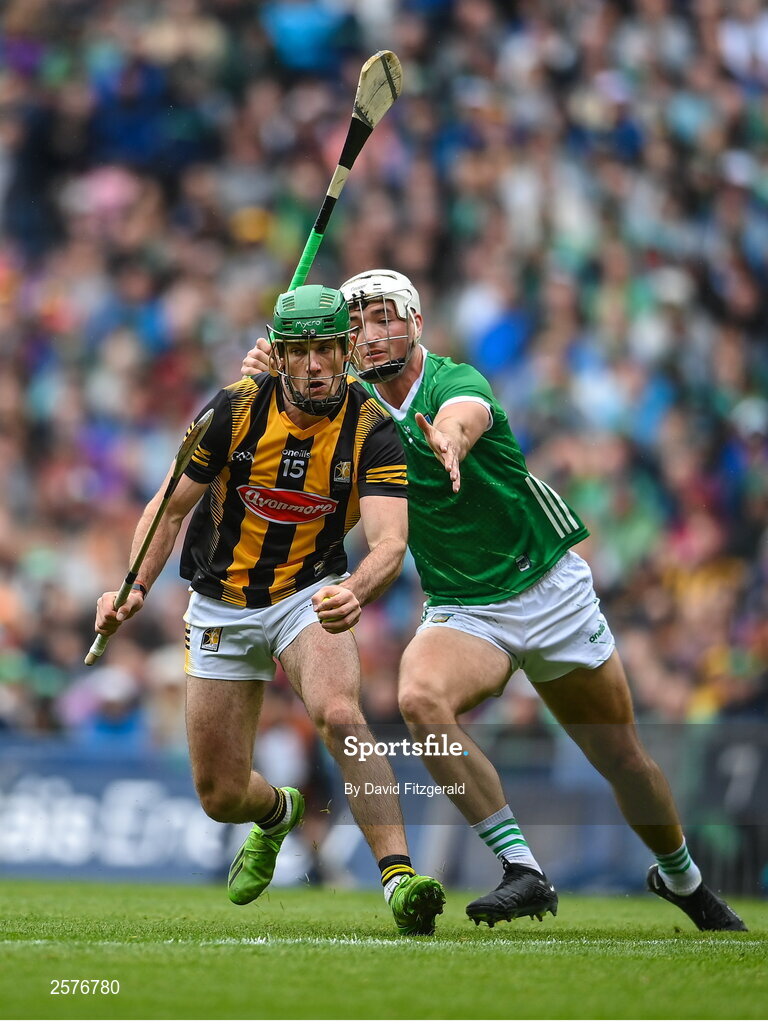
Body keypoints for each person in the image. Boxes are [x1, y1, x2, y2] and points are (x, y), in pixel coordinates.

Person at [242, 269, 747, 932]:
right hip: (465, 610)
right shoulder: (351, 407)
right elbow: (287, 420)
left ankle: (683, 880)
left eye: (384, 317)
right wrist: (269, 374)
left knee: (622, 757)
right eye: (357, 322)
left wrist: (447, 439)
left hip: (548, 588)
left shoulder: (456, 382)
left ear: (416, 323)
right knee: (419, 699)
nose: (370, 334)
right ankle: (524, 870)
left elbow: (465, 417)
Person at [95, 283, 445, 936]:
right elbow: (169, 507)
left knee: (340, 713)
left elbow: (390, 542)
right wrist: (132, 587)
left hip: (309, 593)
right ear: (279, 355)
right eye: (301, 351)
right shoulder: (233, 411)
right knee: (222, 795)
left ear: (346, 350)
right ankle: (279, 814)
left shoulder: (372, 429)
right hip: (221, 601)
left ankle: (400, 878)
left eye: (327, 349)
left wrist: (357, 590)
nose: (315, 364)